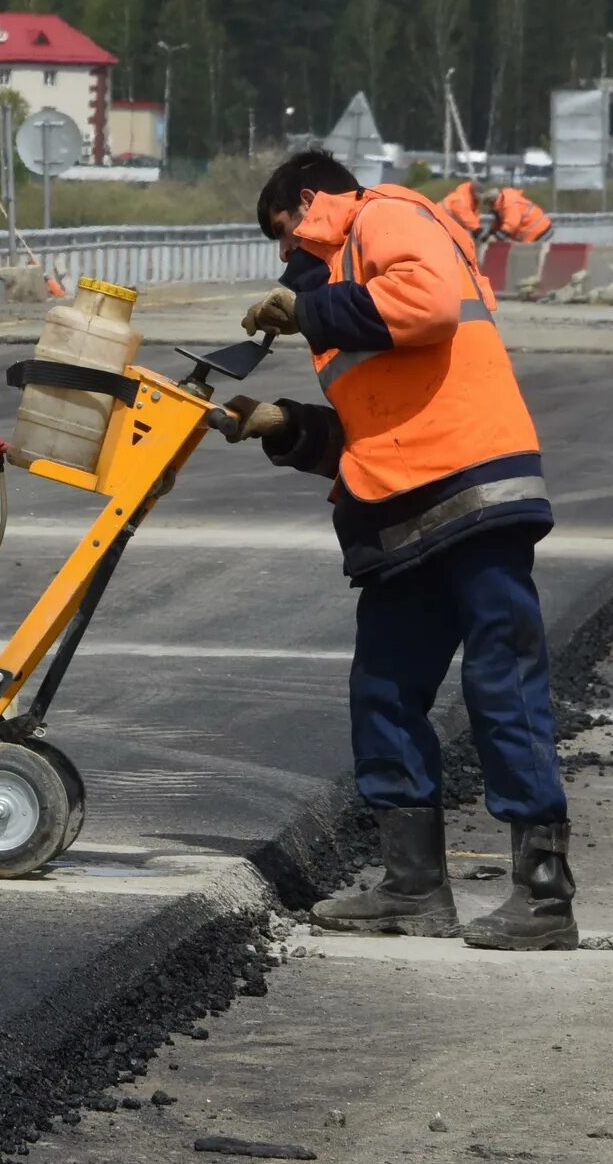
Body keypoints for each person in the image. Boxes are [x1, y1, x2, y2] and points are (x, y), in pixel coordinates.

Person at [206, 148, 577, 950]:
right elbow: (376, 424)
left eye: (284, 232)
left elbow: (431, 307)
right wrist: (284, 425)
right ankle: (413, 888)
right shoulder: (343, 291)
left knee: (501, 683)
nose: (285, 256)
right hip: (410, 506)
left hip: (474, 491)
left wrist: (306, 311)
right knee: (384, 689)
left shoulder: (386, 215)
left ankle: (544, 898)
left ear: (310, 201)